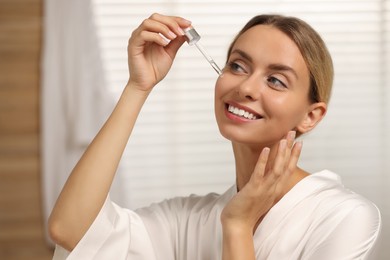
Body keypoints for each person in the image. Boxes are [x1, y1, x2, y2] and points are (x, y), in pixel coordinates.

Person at [49, 13, 382, 259]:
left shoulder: (345, 217)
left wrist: (237, 228)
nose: (246, 87)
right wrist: (138, 87)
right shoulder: (187, 222)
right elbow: (71, 229)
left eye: (276, 80)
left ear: (311, 116)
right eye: (238, 66)